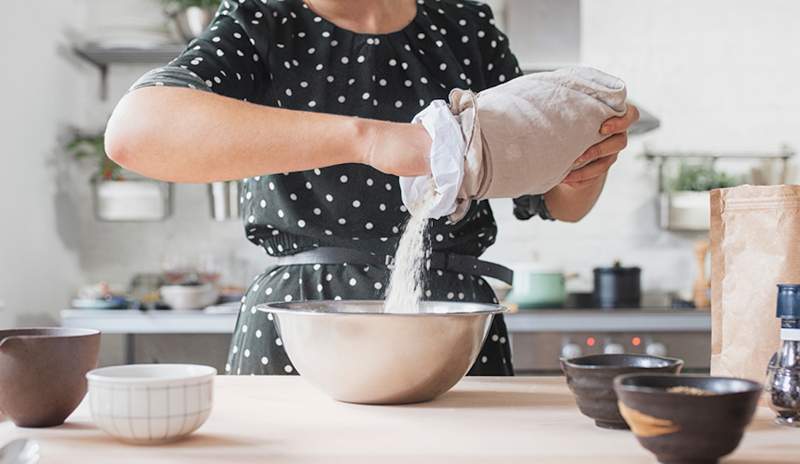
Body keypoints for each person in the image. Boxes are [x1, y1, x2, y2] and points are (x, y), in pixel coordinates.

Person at [105, 0, 639, 376]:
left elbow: (556, 202)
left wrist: (585, 162)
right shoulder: (263, 20)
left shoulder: (465, 27)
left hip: (450, 321)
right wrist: (368, 140)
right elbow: (136, 133)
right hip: (303, 322)